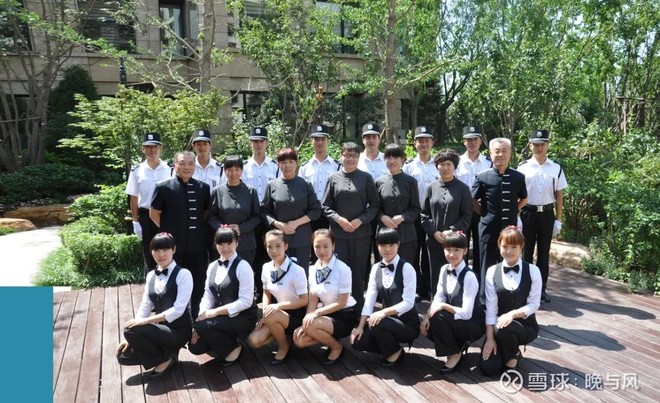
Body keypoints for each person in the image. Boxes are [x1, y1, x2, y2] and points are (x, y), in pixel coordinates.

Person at [115, 232, 193, 379]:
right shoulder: (151, 275)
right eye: (156, 250)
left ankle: (166, 358)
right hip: (160, 329)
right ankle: (167, 355)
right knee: (123, 356)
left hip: (178, 331)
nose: (161, 254)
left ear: (174, 250)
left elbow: (178, 309)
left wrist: (144, 322)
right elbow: (145, 305)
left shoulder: (184, 274)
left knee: (131, 330)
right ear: (151, 252)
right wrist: (129, 339)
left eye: (165, 249)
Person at [150, 151, 211, 318]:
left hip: (198, 246)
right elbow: (154, 213)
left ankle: (197, 319)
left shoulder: (203, 188)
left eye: (191, 163)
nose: (187, 167)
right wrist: (167, 232)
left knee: (198, 284)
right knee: (172, 285)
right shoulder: (163, 187)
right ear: (174, 165)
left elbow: (206, 214)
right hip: (173, 249)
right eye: (182, 163)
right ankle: (171, 320)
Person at [322, 142, 380, 312]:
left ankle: (359, 309)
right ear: (341, 156)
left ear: (358, 158)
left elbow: (375, 204)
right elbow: (325, 206)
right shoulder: (333, 178)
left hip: (360, 234)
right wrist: (338, 219)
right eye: (347, 155)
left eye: (354, 155)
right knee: (338, 272)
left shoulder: (366, 178)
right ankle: (338, 308)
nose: (350, 159)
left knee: (357, 273)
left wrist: (360, 220)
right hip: (338, 235)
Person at [188, 227, 257, 367]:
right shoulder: (212, 266)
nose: (225, 248)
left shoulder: (243, 266)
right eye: (221, 244)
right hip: (222, 318)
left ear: (237, 243)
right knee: (195, 347)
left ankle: (234, 348)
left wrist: (214, 313)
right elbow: (208, 295)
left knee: (202, 326)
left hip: (243, 317)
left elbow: (246, 301)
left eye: (229, 243)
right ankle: (226, 341)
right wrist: (201, 316)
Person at [350, 228, 419, 367]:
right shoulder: (376, 268)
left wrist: (383, 312)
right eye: (383, 245)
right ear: (377, 246)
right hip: (385, 321)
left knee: (378, 322)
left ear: (398, 245)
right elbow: (369, 299)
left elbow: (408, 303)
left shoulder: (407, 268)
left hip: (407, 323)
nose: (387, 249)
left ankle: (393, 354)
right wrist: (360, 326)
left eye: (391, 245)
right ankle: (395, 350)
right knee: (357, 342)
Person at [479, 227, 541, 376]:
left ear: (521, 247)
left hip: (524, 326)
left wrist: (512, 314)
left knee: (505, 326)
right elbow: (491, 308)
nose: (509, 251)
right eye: (505, 246)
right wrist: (490, 339)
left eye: (514, 247)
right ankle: (508, 351)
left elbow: (534, 304)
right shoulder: (492, 271)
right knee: (488, 369)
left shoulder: (533, 271)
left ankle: (513, 355)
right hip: (498, 327)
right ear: (499, 246)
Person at [420, 231, 484, 373]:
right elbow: (438, 297)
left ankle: (455, 353)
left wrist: (443, 306)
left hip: (472, 323)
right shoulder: (444, 269)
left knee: (438, 316)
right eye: (448, 249)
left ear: (465, 251)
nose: (452, 254)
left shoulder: (469, 276)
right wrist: (426, 317)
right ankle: (457, 345)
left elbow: (467, 313)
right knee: (429, 323)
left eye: (457, 250)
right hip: (454, 319)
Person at [471, 138, 527, 298]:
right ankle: (483, 299)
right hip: (488, 228)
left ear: (510, 154)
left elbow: (524, 198)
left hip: (509, 229)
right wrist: (484, 213)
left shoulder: (518, 177)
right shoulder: (482, 176)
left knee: (508, 263)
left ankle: (507, 297)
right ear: (490, 153)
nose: (500, 154)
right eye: (497, 151)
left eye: (504, 151)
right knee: (485, 265)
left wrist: (513, 210)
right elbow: (472, 199)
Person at [293, 229, 358, 365]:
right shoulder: (313, 269)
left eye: (326, 246)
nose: (321, 251)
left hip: (344, 315)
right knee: (299, 340)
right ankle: (329, 338)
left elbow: (342, 302)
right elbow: (313, 299)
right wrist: (305, 322)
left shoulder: (343, 269)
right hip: (326, 314)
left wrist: (316, 314)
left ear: (333, 246)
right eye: (317, 246)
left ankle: (336, 347)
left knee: (311, 325)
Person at [517, 129, 567, 303]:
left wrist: (558, 220)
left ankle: (541, 289)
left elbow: (559, 195)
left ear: (547, 145)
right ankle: (525, 288)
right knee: (526, 252)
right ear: (530, 145)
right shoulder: (522, 167)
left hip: (546, 214)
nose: (539, 147)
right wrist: (517, 215)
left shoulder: (556, 168)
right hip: (527, 213)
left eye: (542, 144)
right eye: (536, 144)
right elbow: (517, 194)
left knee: (544, 253)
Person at [247, 229, 308, 365]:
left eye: (278, 246)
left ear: (286, 246)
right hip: (276, 313)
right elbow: (266, 292)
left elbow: (304, 300)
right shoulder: (266, 267)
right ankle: (282, 334)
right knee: (254, 341)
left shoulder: (297, 270)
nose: (274, 251)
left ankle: (283, 347)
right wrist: (265, 313)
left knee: (272, 316)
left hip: (296, 315)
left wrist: (277, 307)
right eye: (269, 246)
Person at [260, 147, 322, 272]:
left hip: (301, 238)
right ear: (278, 165)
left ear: (296, 163)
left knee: (301, 273)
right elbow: (264, 211)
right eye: (283, 162)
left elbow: (316, 210)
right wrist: (278, 224)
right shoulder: (272, 185)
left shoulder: (305, 184)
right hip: (279, 239)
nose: (287, 166)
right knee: (281, 274)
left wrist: (297, 222)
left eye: (291, 162)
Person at [420, 149, 473, 295]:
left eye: (449, 164)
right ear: (437, 166)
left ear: (454, 166)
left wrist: (453, 230)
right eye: (442, 164)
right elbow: (424, 214)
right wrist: (434, 232)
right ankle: (435, 303)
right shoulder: (430, 188)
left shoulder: (463, 189)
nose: (445, 168)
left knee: (456, 276)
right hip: (434, 240)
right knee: (436, 276)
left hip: (455, 242)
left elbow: (467, 215)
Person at [125, 132, 170, 275]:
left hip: (166, 215)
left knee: (168, 249)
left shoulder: (170, 168)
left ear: (161, 148)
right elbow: (133, 197)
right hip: (146, 217)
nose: (152, 150)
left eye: (155, 146)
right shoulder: (137, 170)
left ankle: (169, 282)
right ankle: (150, 282)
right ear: (143, 149)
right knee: (150, 252)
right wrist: (135, 222)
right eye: (148, 147)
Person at [403, 126, 439, 301]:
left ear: (432, 143)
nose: (423, 144)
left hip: (434, 215)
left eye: (426, 140)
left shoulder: (439, 164)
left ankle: (430, 288)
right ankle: (416, 288)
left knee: (430, 252)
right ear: (415, 144)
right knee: (414, 252)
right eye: (420, 141)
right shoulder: (408, 166)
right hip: (414, 215)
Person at [242, 126, 279, 295]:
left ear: (267, 143)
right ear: (250, 144)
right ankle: (256, 289)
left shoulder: (275, 166)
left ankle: (273, 289)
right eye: (255, 141)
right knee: (253, 252)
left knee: (271, 251)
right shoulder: (244, 166)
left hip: (270, 214)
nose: (258, 144)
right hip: (250, 215)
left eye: (261, 141)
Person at [207, 156, 261, 266]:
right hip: (223, 243)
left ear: (242, 170)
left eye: (237, 169)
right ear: (224, 170)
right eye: (230, 170)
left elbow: (256, 216)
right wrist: (224, 228)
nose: (233, 173)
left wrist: (241, 228)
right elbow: (211, 217)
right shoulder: (217, 192)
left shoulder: (251, 191)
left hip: (246, 243)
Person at [298, 124, 340, 261]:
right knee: (314, 247)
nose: (320, 142)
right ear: (311, 141)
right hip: (312, 213)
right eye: (316, 139)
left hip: (331, 212)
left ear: (328, 141)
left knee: (332, 247)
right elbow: (301, 192)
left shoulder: (337, 166)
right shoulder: (305, 167)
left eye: (323, 139)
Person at [375, 143, 421, 264]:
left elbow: (415, 208)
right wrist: (382, 217)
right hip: (384, 234)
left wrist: (402, 217)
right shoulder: (379, 182)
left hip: (406, 235)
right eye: (388, 157)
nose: (392, 161)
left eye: (395, 157)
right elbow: (374, 207)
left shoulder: (411, 181)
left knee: (406, 268)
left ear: (402, 159)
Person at [455, 125, 492, 274]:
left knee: (480, 247)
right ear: (464, 141)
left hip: (481, 211)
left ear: (480, 141)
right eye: (469, 140)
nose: (472, 143)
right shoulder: (457, 162)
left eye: (475, 139)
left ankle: (478, 279)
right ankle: (461, 278)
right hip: (461, 211)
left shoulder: (489, 163)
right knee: (459, 246)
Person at [357, 123, 388, 270]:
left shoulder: (387, 160)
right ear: (363, 140)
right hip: (362, 212)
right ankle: (365, 279)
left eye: (374, 137)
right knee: (362, 250)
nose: (371, 140)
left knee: (382, 249)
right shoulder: (356, 160)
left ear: (379, 139)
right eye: (367, 137)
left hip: (384, 212)